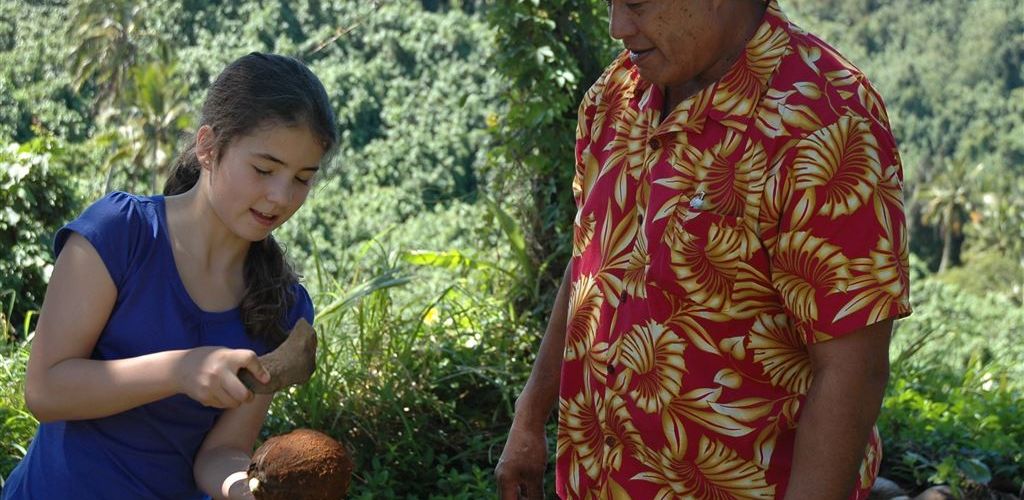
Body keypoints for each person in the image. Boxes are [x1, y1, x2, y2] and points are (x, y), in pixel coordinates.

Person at [495, 0, 911, 498]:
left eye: (637, 4)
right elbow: (592, 258)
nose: (616, 27)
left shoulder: (826, 122)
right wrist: (530, 414)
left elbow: (852, 369)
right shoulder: (617, 94)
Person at [2, 52, 337, 499]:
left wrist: (247, 489)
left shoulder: (285, 307)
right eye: (264, 169)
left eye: (302, 178)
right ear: (207, 147)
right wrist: (180, 371)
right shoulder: (120, 234)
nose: (280, 196)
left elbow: (222, 452)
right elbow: (45, 391)